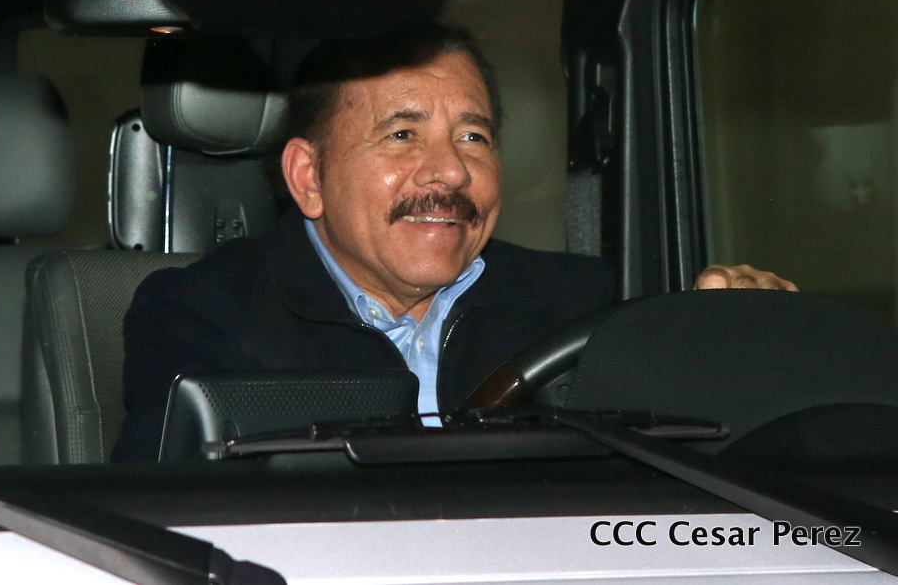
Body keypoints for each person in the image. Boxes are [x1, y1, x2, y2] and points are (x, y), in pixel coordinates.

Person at [112, 23, 793, 461]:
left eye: (473, 136)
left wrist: (732, 346)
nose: (451, 171)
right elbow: (173, 523)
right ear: (309, 177)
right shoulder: (204, 316)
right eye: (402, 134)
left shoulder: (577, 303)